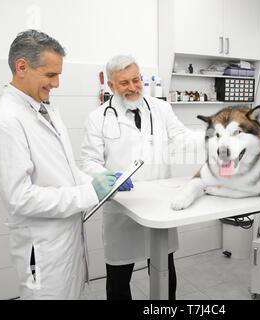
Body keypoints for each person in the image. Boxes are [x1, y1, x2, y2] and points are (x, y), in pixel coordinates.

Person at [0, 30, 116, 299]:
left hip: (65, 241)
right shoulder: (5, 121)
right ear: (22, 67)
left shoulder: (45, 108)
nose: (56, 84)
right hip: (42, 250)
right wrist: (90, 193)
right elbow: (19, 198)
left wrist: (98, 181)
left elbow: (63, 169)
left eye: (58, 75)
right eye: (50, 75)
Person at [81, 55, 198, 300]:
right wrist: (109, 176)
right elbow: (89, 161)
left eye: (136, 80)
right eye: (124, 83)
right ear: (111, 86)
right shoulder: (98, 118)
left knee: (165, 273)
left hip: (158, 207)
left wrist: (212, 139)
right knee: (118, 281)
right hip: (123, 210)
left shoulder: (161, 108)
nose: (133, 87)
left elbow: (182, 137)